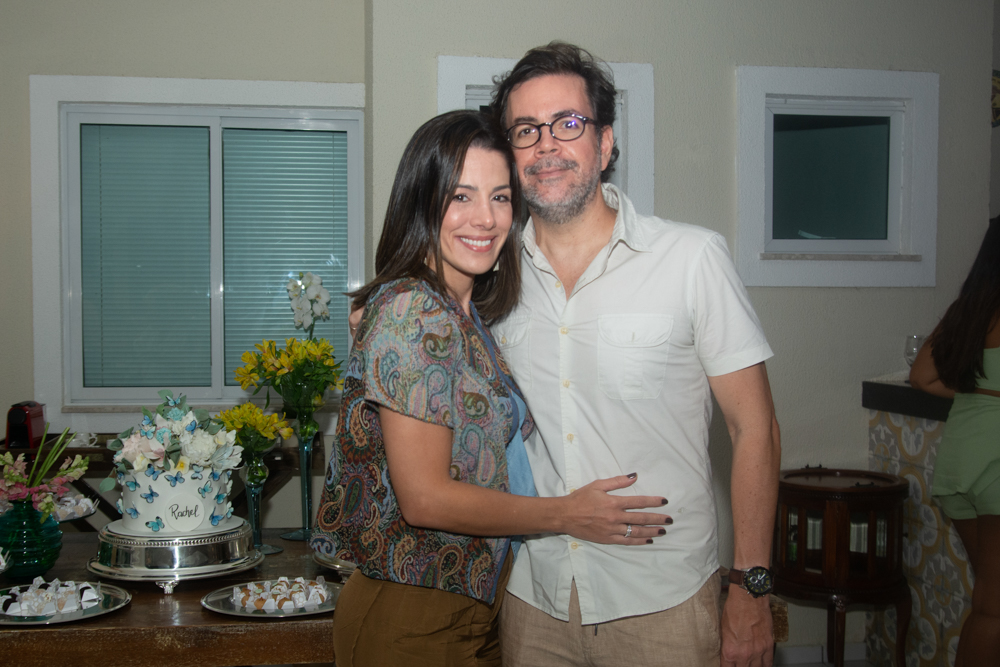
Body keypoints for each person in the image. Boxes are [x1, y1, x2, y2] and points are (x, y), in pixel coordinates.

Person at [310, 109, 669, 667]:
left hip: (475, 601)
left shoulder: (466, 314)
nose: (485, 218)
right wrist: (567, 514)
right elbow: (425, 498)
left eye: (500, 197)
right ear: (421, 201)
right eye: (461, 196)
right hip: (412, 609)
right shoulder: (413, 311)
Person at [487, 43, 782, 667]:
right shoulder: (491, 276)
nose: (546, 145)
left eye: (568, 123)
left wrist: (751, 586)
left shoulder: (692, 259)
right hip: (533, 600)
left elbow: (754, 428)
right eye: (526, 130)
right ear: (510, 155)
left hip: (664, 602)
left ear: (605, 143)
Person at [910, 217, 1000, 667]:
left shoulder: (971, 309)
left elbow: (922, 377)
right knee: (993, 608)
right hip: (996, 466)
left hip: (962, 462)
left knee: (989, 595)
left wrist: (981, 393)